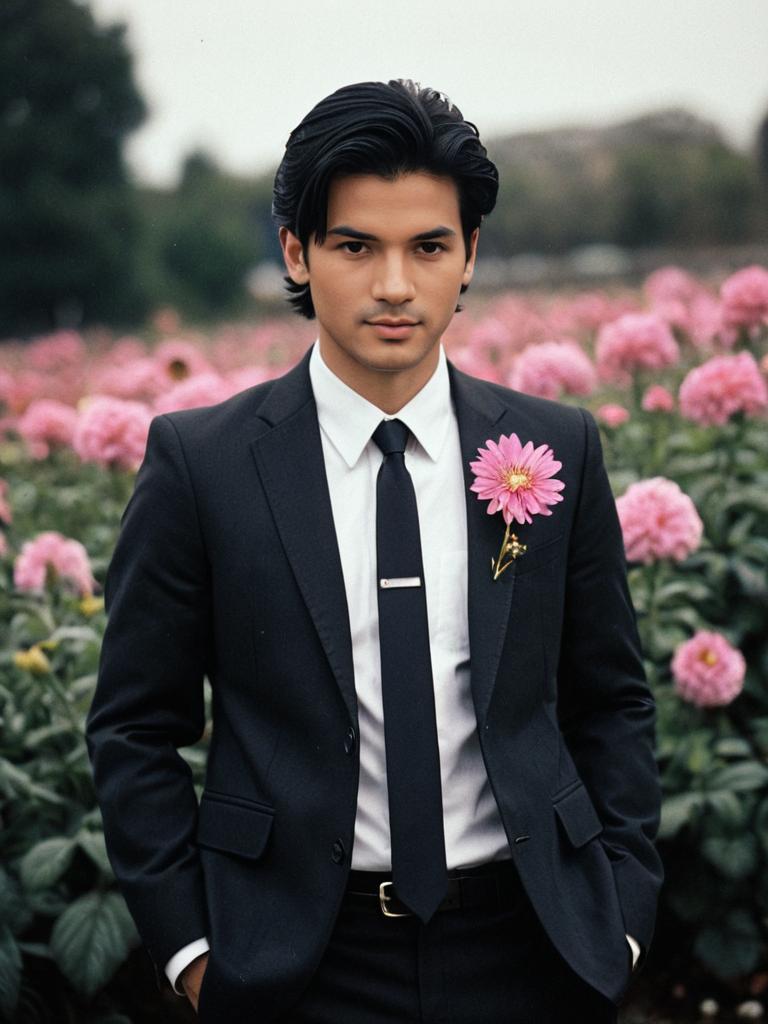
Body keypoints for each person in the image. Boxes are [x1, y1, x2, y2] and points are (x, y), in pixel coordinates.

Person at [86, 79, 664, 1023]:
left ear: (470, 255)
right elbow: (133, 727)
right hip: (295, 961)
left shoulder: (555, 448)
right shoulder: (203, 465)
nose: (394, 284)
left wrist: (623, 915)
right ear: (297, 252)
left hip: (531, 946)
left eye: (428, 247)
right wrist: (194, 951)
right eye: (356, 246)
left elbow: (613, 698)